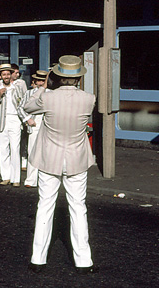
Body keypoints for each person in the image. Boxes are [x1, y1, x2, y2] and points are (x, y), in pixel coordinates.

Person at [24, 55, 96, 274]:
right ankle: (84, 261)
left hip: (49, 158)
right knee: (78, 207)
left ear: (58, 76)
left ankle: (38, 259)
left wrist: (43, 87)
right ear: (78, 78)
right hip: (77, 159)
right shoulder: (88, 98)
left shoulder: (48, 98)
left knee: (45, 206)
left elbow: (27, 107)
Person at [0, 63, 25, 187]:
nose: (6, 76)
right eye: (4, 74)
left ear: (11, 75)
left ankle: (16, 179)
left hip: (15, 119)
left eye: (8, 74)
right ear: (0, 76)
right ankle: (6, 177)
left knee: (15, 149)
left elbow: (22, 104)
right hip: (1, 121)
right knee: (3, 150)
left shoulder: (17, 88)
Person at [17, 70, 49, 188]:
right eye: (39, 80)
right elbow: (20, 108)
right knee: (32, 152)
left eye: (43, 80)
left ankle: (44, 181)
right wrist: (27, 119)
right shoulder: (29, 93)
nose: (41, 83)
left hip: (47, 125)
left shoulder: (51, 93)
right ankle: (31, 180)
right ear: (35, 81)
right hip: (34, 125)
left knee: (46, 153)